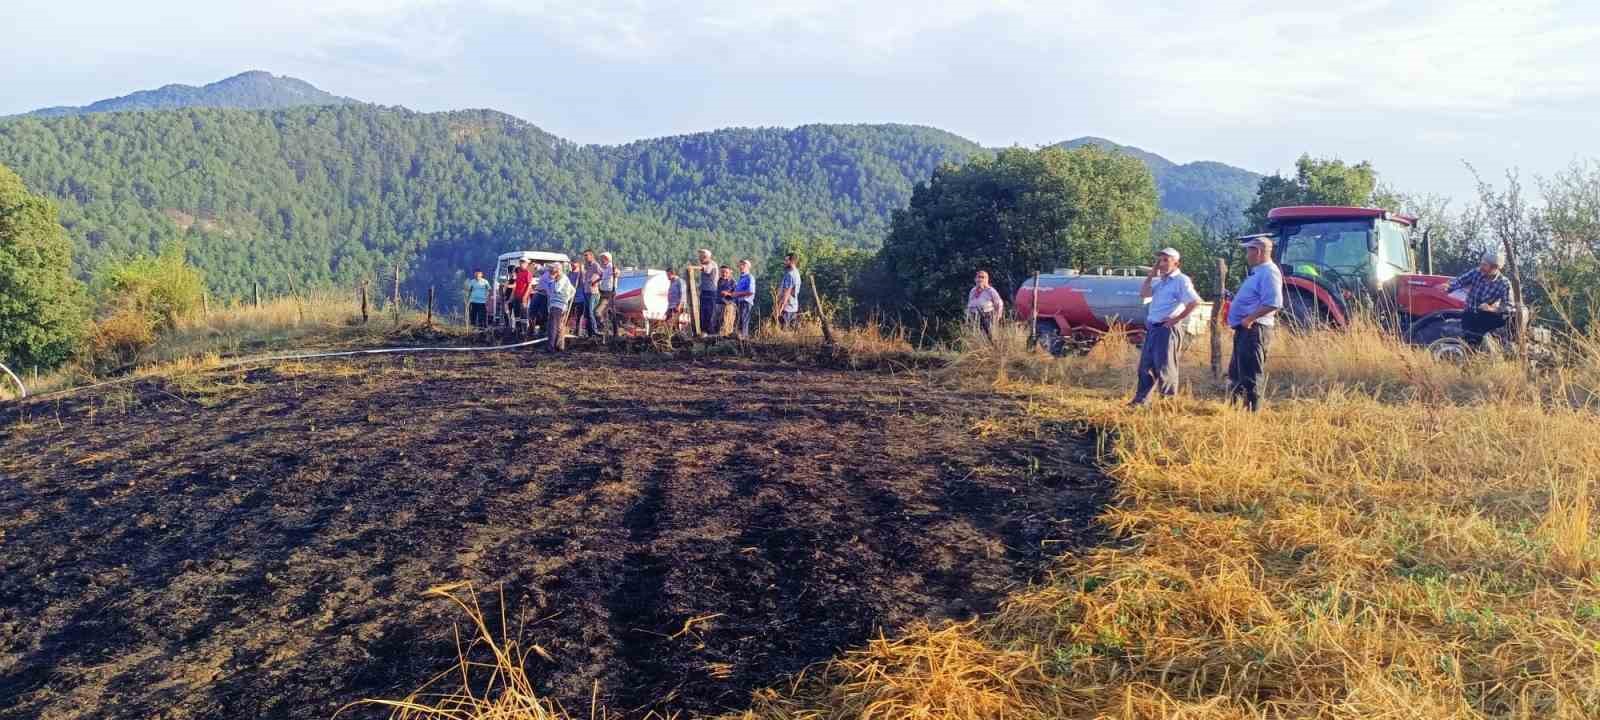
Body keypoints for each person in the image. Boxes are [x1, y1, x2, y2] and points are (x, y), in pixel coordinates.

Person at [1129, 248, 1202, 406]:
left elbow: (1195, 301)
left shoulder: (1181, 280)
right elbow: (1144, 294)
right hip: (1154, 328)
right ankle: (1141, 402)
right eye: (1159, 260)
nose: (1161, 264)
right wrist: (1151, 275)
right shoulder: (1162, 281)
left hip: (1167, 329)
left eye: (1165, 260)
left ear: (1176, 263)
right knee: (1146, 366)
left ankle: (1167, 404)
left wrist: (1176, 319)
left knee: (1165, 367)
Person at [1226, 235, 1284, 412]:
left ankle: (1252, 414)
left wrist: (1250, 318)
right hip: (1246, 329)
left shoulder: (1269, 272)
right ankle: (1234, 411)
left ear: (1258, 251)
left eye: (1248, 250)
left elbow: (1274, 302)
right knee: (1237, 372)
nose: (1247, 255)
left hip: (1255, 329)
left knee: (1251, 374)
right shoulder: (1259, 272)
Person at [1448, 249, 1514, 349]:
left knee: (1478, 342)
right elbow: (1460, 281)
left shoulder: (1504, 283)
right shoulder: (1476, 272)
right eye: (1481, 263)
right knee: (1467, 340)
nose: (1481, 266)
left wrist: (1492, 309)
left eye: (1484, 264)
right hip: (1469, 313)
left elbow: (1508, 306)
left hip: (1485, 316)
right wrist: (1448, 287)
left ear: (1494, 267)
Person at [965, 270, 1004, 343]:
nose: (980, 279)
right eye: (978, 277)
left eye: (983, 277)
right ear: (975, 279)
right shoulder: (973, 290)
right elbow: (970, 302)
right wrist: (968, 314)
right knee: (975, 336)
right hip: (974, 316)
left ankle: (991, 350)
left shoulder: (991, 290)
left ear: (987, 279)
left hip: (987, 315)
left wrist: (997, 317)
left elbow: (999, 303)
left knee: (989, 336)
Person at [545, 263, 576, 352]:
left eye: (552, 271)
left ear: (557, 270)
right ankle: (559, 346)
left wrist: (564, 299)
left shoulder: (562, 278)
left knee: (553, 326)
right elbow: (573, 290)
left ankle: (551, 346)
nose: (550, 273)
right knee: (559, 326)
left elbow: (557, 289)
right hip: (559, 305)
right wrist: (567, 299)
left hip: (558, 305)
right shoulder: (564, 279)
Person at [595, 251, 621, 336]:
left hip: (609, 293)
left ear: (608, 259)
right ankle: (613, 332)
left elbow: (617, 272)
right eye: (601, 259)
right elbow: (602, 277)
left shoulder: (611, 267)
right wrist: (594, 282)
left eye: (603, 259)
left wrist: (616, 273)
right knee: (610, 313)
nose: (602, 260)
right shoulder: (605, 269)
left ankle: (605, 328)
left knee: (598, 312)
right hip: (603, 293)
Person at [775, 254, 801, 329]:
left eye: (786, 260)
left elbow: (787, 292)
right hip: (794, 306)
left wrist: (780, 307)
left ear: (792, 262)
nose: (784, 262)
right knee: (791, 330)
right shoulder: (797, 273)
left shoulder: (790, 275)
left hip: (787, 308)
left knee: (784, 330)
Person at [696, 249, 719, 336]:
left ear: (706, 257)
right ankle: (703, 331)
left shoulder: (712, 264)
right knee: (703, 312)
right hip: (704, 291)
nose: (700, 259)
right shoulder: (705, 264)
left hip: (711, 292)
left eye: (701, 257)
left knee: (709, 312)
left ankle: (710, 333)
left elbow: (706, 269)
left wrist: (692, 268)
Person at [581, 250, 603, 338]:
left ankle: (595, 331)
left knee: (590, 312)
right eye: (584, 256)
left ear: (591, 256)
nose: (585, 257)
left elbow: (602, 274)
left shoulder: (595, 265)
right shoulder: (587, 266)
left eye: (586, 255)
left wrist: (595, 282)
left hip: (593, 292)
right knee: (587, 313)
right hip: (586, 292)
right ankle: (589, 332)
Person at [733, 258, 757, 338]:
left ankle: (744, 338)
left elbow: (750, 292)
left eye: (743, 265)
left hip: (745, 302)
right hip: (739, 302)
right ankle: (740, 338)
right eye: (740, 265)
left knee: (744, 321)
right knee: (739, 321)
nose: (741, 266)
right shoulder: (741, 278)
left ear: (748, 267)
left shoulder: (750, 277)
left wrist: (737, 294)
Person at [511, 259, 534, 335]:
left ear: (527, 264)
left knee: (523, 313)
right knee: (516, 313)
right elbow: (516, 284)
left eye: (523, 263)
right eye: (521, 262)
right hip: (516, 295)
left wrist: (525, 296)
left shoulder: (528, 273)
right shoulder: (518, 272)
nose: (522, 264)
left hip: (523, 296)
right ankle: (518, 329)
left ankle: (524, 331)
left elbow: (529, 286)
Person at [570, 259, 590, 336]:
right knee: (569, 315)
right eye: (571, 263)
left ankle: (578, 332)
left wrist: (581, 270)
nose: (572, 265)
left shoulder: (581, 273)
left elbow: (584, 281)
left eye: (574, 263)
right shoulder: (570, 273)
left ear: (578, 264)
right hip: (571, 297)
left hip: (580, 298)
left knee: (579, 316)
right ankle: (566, 329)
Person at [716, 265, 737, 336]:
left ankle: (727, 337)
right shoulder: (718, 281)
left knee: (727, 324)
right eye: (722, 272)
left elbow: (736, 294)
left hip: (728, 306)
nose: (724, 274)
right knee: (718, 322)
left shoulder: (733, 282)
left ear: (730, 273)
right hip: (718, 304)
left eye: (726, 272)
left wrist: (728, 293)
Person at [665, 267, 686, 333]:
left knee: (672, 322)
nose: (667, 277)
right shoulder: (672, 282)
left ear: (672, 274)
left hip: (677, 306)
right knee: (669, 322)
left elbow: (683, 294)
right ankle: (674, 337)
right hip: (671, 306)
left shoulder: (680, 281)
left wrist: (679, 305)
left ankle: (677, 337)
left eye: (668, 275)